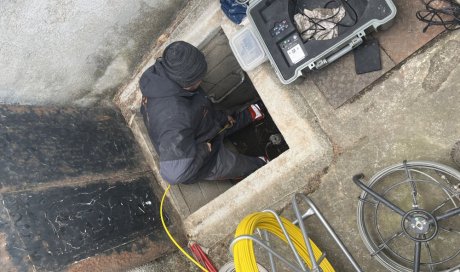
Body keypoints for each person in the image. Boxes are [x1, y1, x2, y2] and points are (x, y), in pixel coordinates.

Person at [139, 41, 266, 185]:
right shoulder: (175, 119)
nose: (202, 80)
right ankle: (261, 165)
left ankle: (250, 114)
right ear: (187, 84)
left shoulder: (162, 75)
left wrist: (221, 117)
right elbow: (174, 174)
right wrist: (204, 150)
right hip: (200, 157)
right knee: (238, 166)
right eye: (200, 79)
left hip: (201, 122)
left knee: (226, 119)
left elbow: (199, 110)